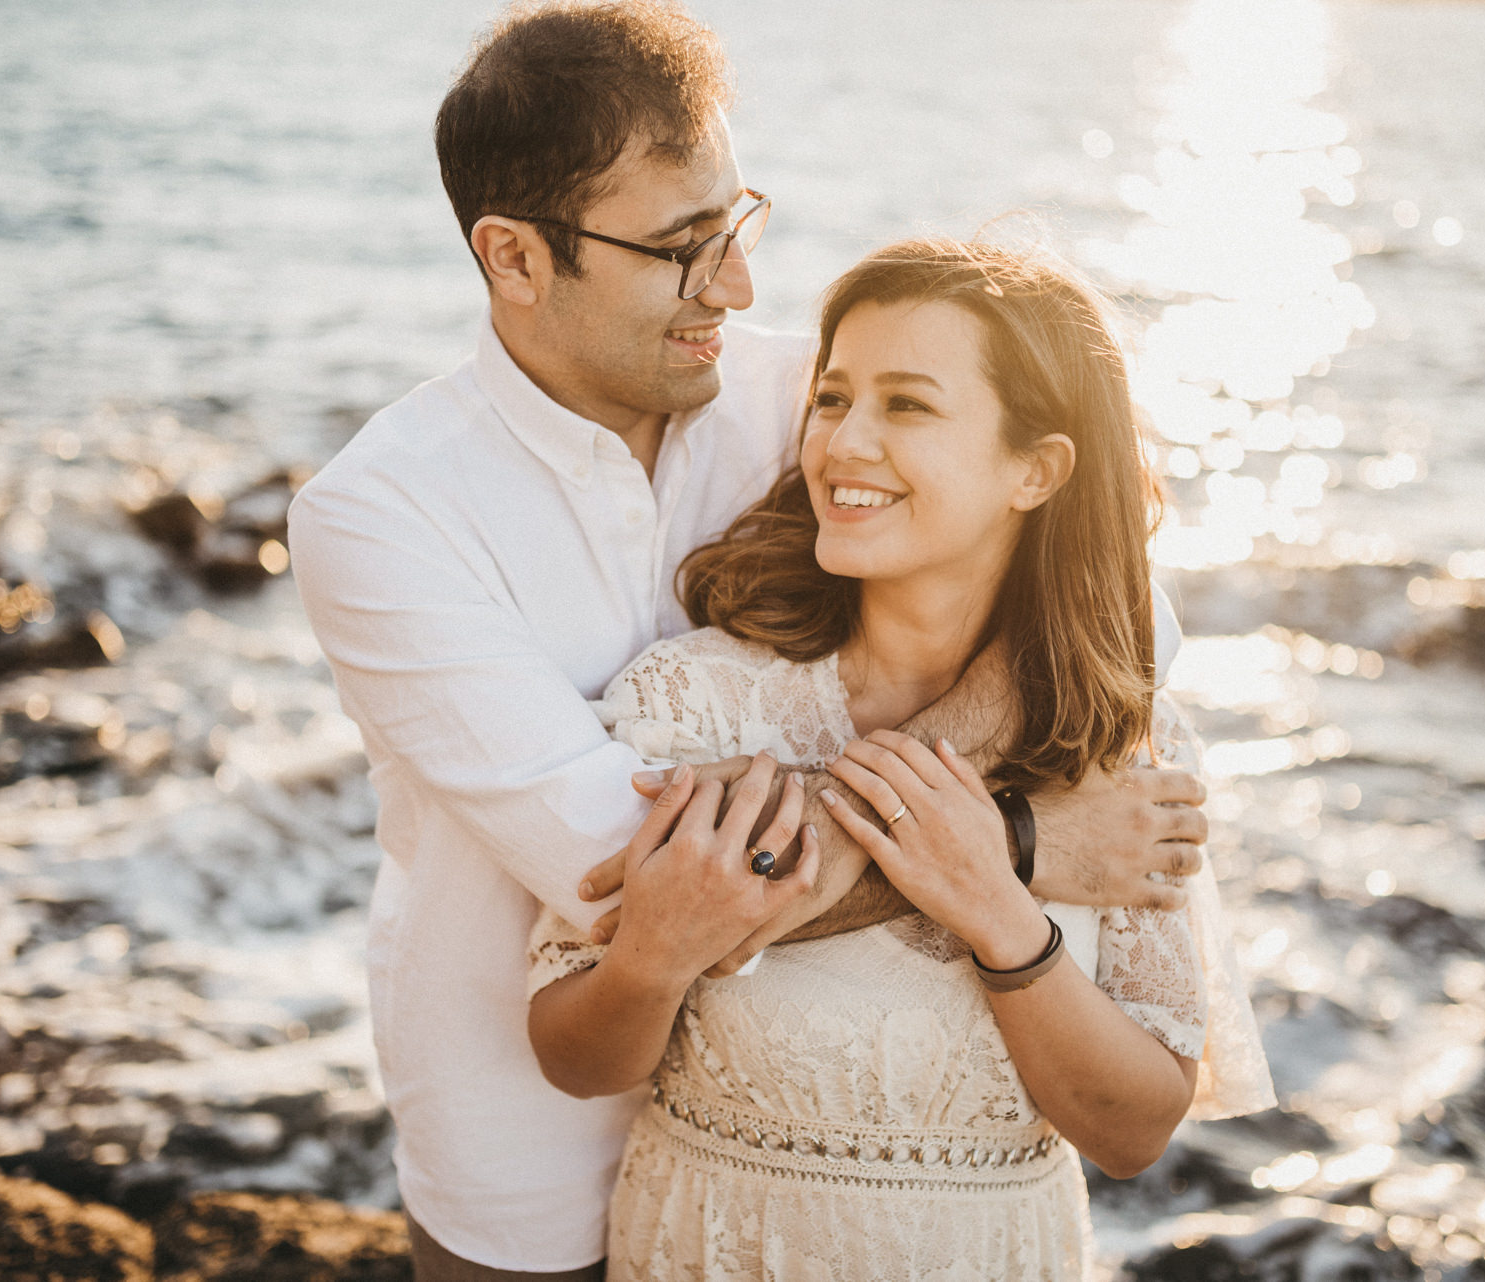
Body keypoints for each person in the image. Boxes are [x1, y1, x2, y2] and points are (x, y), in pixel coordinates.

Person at [288, 4, 1216, 1278]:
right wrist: (1016, 840)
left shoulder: (804, 404)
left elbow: (1107, 603)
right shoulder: (380, 516)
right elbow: (636, 866)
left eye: (736, 224)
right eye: (682, 247)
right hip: (533, 1130)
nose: (736, 284)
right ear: (513, 257)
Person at [526, 238, 1274, 1281]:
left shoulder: (1122, 752)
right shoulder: (692, 696)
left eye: (908, 405)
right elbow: (576, 1053)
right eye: (832, 399)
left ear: (1036, 469)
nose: (843, 442)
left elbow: (1135, 1130)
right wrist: (655, 954)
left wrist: (996, 904)